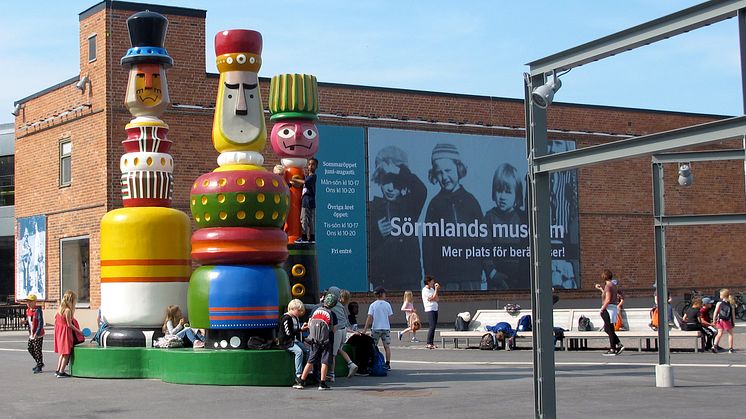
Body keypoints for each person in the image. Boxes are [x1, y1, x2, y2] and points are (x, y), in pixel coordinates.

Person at [422, 143, 483, 291]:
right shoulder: (434, 204)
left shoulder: (471, 201)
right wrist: (429, 279)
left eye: (448, 170)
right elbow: (428, 245)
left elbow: (482, 238)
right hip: (445, 279)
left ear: (458, 168)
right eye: (439, 172)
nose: (444, 177)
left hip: (471, 276)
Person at [369, 146, 426, 290]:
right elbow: (365, 244)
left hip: (408, 277)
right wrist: (376, 230)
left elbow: (421, 189)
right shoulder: (372, 207)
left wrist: (399, 169)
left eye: (395, 181)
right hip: (382, 278)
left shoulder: (410, 204)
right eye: (385, 181)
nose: (390, 188)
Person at [482, 163, 529, 290]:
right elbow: (484, 251)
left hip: (521, 279)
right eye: (499, 191)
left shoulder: (523, 218)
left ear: (516, 195)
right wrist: (493, 274)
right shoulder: (489, 218)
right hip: (497, 281)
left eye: (508, 192)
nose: (502, 197)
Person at [295, 293, 338, 390]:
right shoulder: (332, 314)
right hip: (326, 341)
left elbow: (310, 324)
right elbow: (333, 330)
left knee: (310, 361)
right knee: (325, 362)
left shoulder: (315, 310)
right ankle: (322, 383)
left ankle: (301, 381)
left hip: (314, 341)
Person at [328, 288, 358, 380]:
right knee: (339, 349)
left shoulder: (331, 304)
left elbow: (318, 306)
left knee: (333, 352)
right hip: (343, 330)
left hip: (336, 331)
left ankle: (331, 374)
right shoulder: (341, 306)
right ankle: (351, 364)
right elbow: (345, 320)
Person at [362, 287, 393, 369]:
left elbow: (369, 317)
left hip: (376, 328)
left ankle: (372, 361)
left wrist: (365, 329)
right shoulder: (387, 305)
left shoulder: (373, 305)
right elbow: (389, 317)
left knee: (373, 345)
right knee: (387, 346)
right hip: (386, 328)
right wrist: (388, 324)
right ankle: (388, 363)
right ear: (382, 294)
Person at [54, 290, 83, 377]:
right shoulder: (67, 311)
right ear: (71, 300)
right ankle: (61, 372)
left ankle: (58, 370)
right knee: (66, 353)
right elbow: (69, 325)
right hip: (65, 333)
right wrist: (79, 331)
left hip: (59, 332)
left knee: (62, 353)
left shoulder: (60, 309)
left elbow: (56, 319)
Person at [279, 299, 309, 381]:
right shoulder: (286, 318)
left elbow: (296, 331)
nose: (300, 313)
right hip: (286, 342)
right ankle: (298, 374)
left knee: (307, 350)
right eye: (298, 310)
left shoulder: (295, 318)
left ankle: (308, 371)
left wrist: (303, 338)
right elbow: (288, 333)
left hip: (294, 340)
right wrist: (300, 329)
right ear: (292, 309)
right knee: (299, 352)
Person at [290, 157, 317, 243]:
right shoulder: (307, 177)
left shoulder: (312, 176)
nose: (310, 166)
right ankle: (312, 238)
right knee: (310, 220)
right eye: (309, 164)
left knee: (304, 218)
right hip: (310, 200)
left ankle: (304, 237)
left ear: (316, 167)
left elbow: (305, 182)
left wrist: (294, 179)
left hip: (307, 200)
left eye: (313, 165)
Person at [598, 270, 623, 356]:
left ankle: (613, 348)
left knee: (609, 329)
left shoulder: (608, 286)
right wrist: (601, 290)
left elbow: (608, 299)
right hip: (613, 308)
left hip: (608, 309)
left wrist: (602, 308)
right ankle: (618, 344)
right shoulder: (613, 285)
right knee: (608, 328)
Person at [24, 294, 44, 374]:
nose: (28, 303)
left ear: (35, 302)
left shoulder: (38, 310)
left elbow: (40, 322)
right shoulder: (28, 310)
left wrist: (37, 333)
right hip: (32, 334)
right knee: (30, 348)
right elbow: (29, 321)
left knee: (37, 350)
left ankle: (39, 366)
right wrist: (24, 322)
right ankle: (39, 363)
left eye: (30, 301)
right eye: (27, 301)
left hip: (38, 334)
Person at [712, 288, 736, 353]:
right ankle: (730, 349)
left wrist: (714, 320)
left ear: (721, 295)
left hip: (720, 321)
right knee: (730, 334)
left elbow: (715, 312)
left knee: (719, 333)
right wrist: (733, 323)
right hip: (727, 321)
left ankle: (714, 346)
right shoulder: (731, 304)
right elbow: (733, 315)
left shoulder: (719, 303)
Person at [422, 275, 440, 349]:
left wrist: (435, 291)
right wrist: (436, 289)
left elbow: (437, 299)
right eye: (432, 281)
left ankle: (431, 343)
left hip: (435, 308)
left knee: (434, 326)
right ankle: (429, 343)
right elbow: (431, 298)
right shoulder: (425, 290)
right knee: (432, 326)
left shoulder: (432, 289)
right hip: (430, 309)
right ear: (428, 282)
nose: (433, 283)